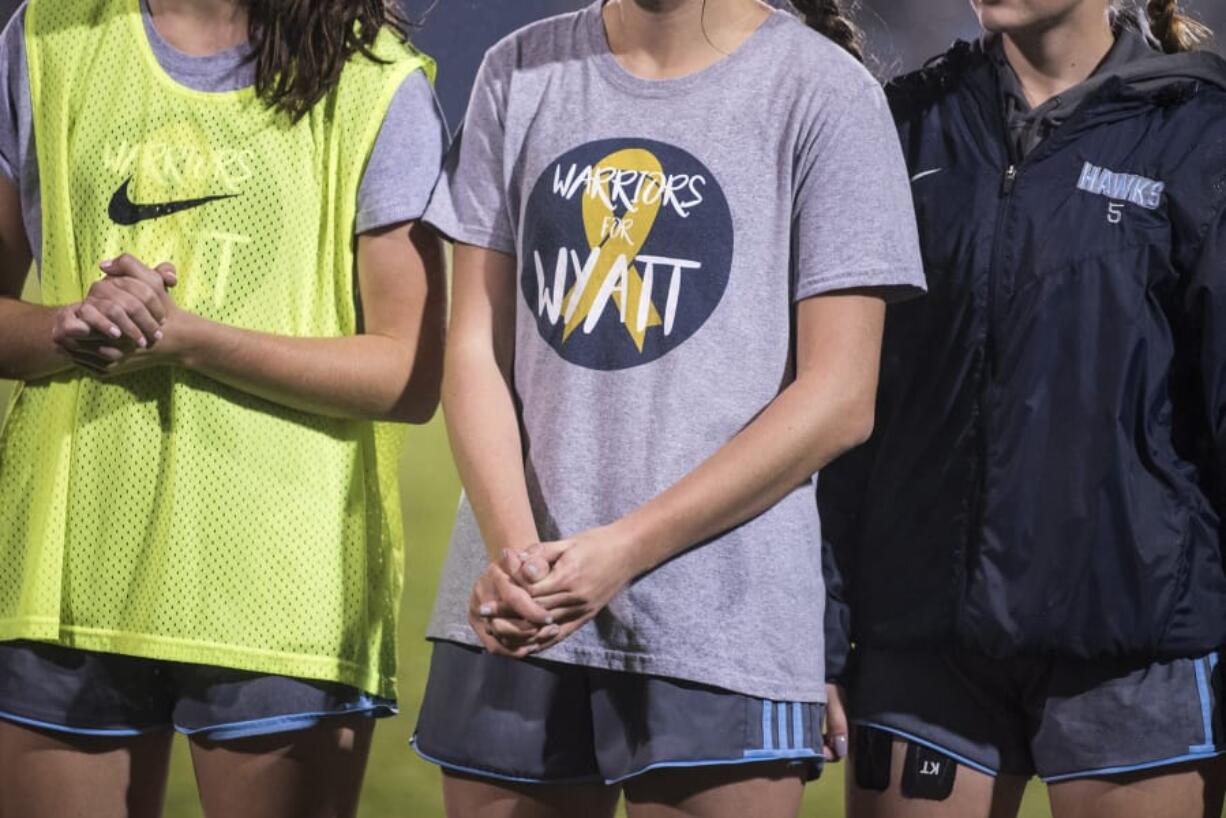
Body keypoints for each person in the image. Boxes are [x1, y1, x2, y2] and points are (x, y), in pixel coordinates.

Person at [411, 0, 926, 816]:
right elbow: (474, 346)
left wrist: (621, 552)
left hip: (724, 627)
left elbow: (839, 398)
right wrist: (519, 560)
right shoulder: (519, 68)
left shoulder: (825, 91)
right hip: (513, 608)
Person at [0, 0, 447, 815]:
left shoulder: (373, 76)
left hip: (282, 584)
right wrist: (69, 325)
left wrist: (190, 340)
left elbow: (409, 372)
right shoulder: (46, 37)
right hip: (64, 573)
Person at [819, 1, 1226, 816]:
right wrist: (824, 633)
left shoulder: (1199, 130)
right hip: (923, 641)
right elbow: (845, 414)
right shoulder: (903, 126)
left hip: (1134, 641)